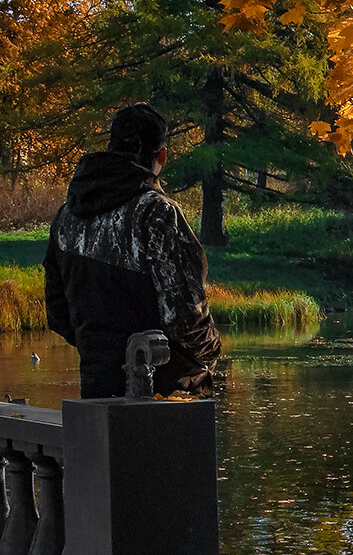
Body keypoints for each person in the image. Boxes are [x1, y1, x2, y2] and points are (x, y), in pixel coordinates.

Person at [43, 103, 221, 398]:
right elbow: (184, 315)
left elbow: (57, 312)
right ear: (161, 155)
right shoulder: (157, 214)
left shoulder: (67, 216)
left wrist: (102, 352)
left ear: (111, 148)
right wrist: (212, 350)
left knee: (105, 445)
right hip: (168, 394)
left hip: (97, 388)